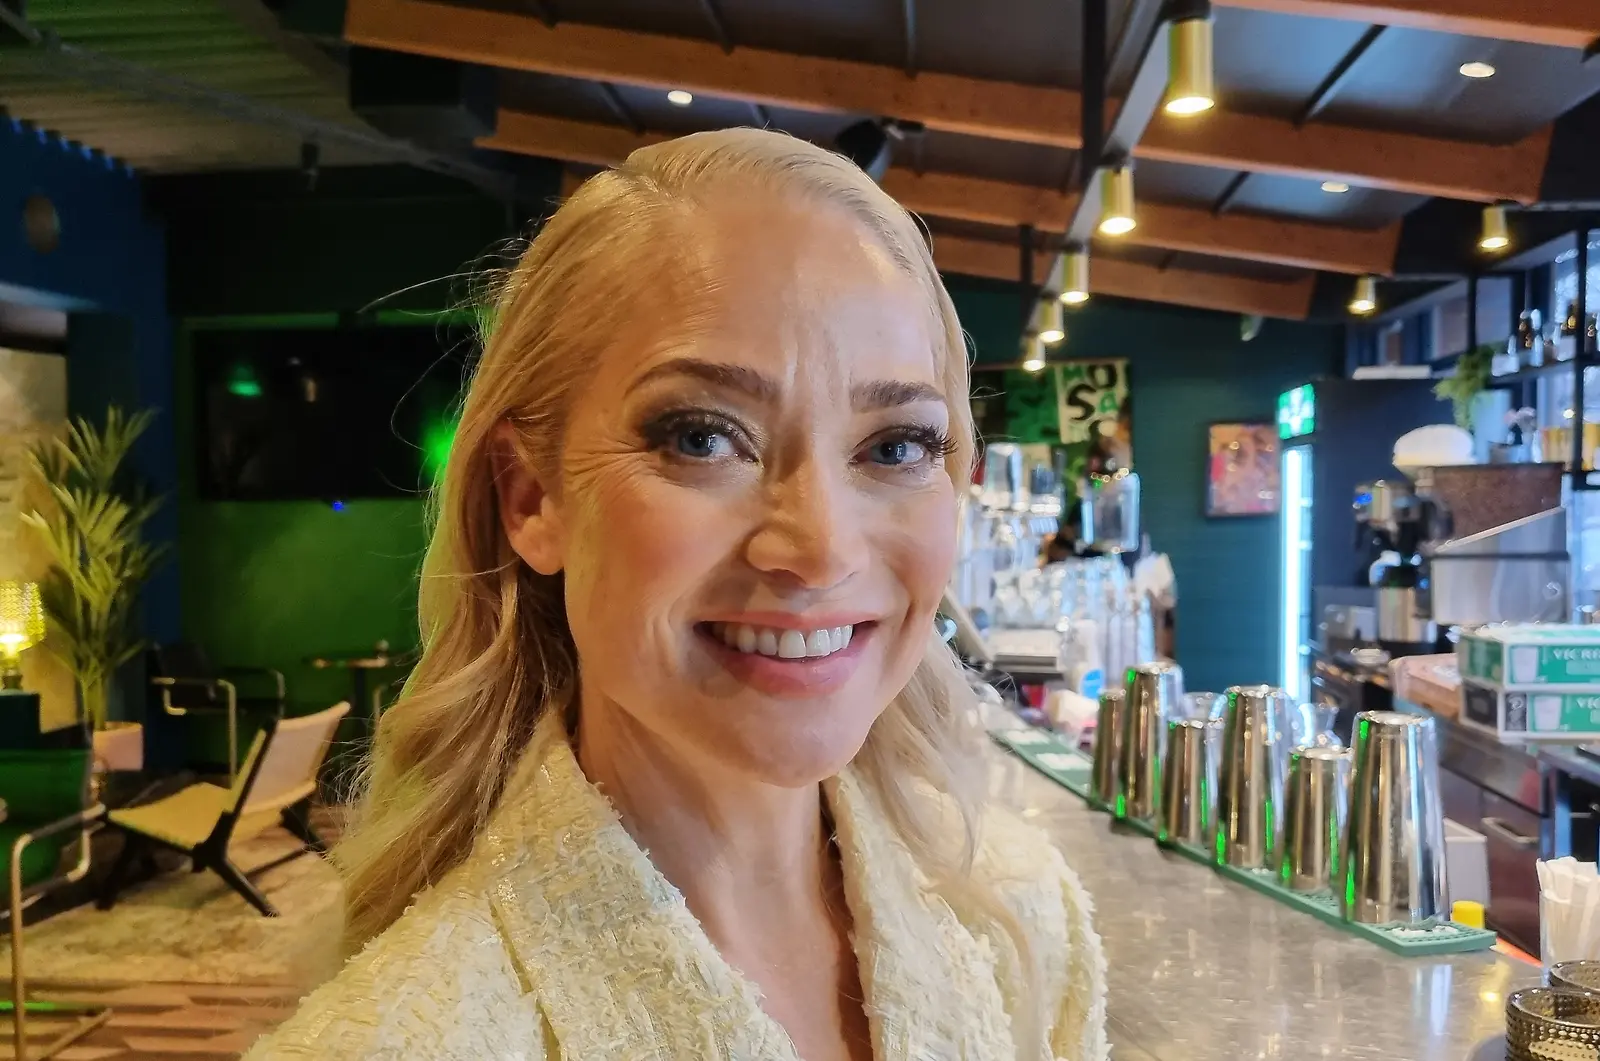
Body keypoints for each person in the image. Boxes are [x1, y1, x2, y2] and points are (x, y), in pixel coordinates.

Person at [246, 128, 1107, 1061]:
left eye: (895, 446)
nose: (821, 550)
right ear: (531, 498)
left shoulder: (1023, 920)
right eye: (703, 437)